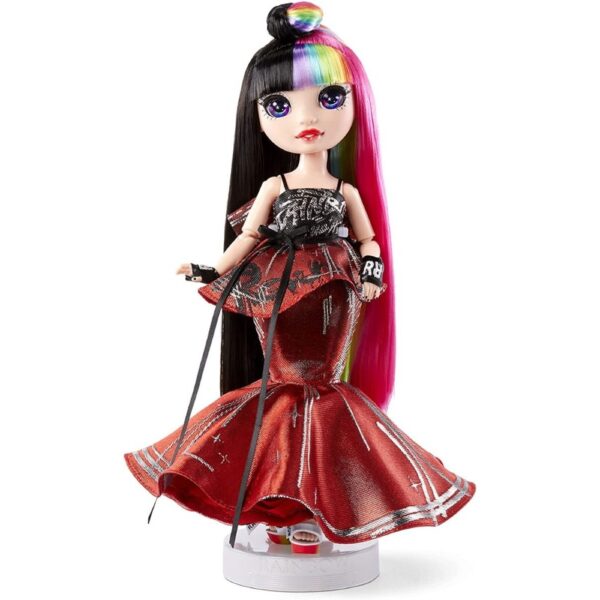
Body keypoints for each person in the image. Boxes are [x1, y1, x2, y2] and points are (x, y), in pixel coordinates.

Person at [123, 2, 476, 554]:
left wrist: (372, 271)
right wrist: (212, 268)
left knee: (324, 383)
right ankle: (279, 502)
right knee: (281, 382)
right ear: (258, 115)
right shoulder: (275, 186)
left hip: (334, 287)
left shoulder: (345, 191)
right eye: (279, 105)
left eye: (330, 98)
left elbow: (368, 239)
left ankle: (320, 504)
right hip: (278, 284)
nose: (305, 117)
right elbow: (249, 236)